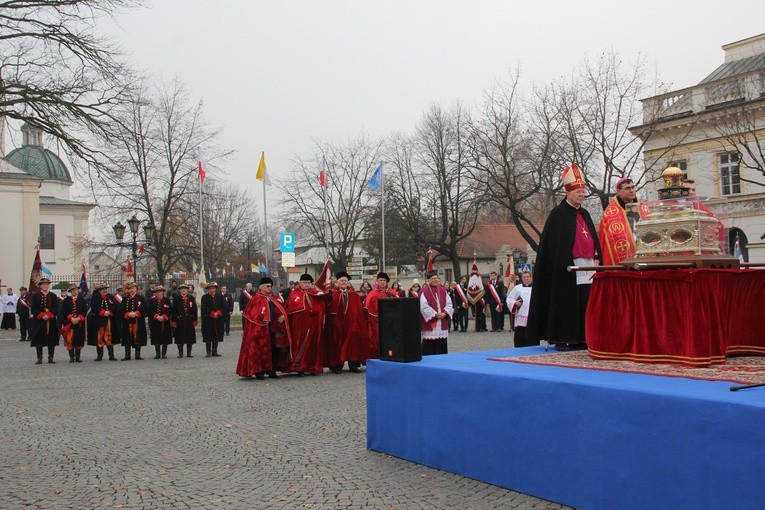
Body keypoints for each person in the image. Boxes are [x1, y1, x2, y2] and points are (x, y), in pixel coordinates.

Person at [526, 163, 602, 351]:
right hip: (567, 268)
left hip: (587, 265)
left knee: (585, 302)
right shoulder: (558, 214)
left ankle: (584, 337)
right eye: (578, 191)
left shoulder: (584, 214)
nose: (582, 195)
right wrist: (563, 262)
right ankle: (562, 337)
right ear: (568, 192)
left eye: (583, 191)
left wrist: (597, 255)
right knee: (566, 303)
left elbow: (592, 236)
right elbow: (553, 246)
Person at [237, 277, 289, 379]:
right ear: (261, 287)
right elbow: (251, 315)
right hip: (260, 330)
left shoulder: (273, 298)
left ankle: (272, 371)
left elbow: (281, 310)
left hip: (273, 329)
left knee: (274, 350)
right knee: (259, 351)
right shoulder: (255, 299)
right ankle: (259, 371)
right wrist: (262, 318)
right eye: (267, 286)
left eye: (270, 286)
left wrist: (283, 316)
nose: (270, 288)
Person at [598, 177, 649, 265]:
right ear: (619, 191)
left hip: (645, 253)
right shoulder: (610, 213)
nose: (632, 190)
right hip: (625, 257)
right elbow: (608, 239)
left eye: (633, 187)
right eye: (627, 188)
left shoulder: (643, 207)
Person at [325, 271, 369, 373]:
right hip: (337, 324)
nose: (344, 282)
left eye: (345, 280)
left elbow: (358, 311)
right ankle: (338, 365)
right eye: (342, 281)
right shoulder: (333, 294)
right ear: (337, 282)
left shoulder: (354, 295)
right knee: (338, 343)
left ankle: (352, 365)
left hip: (351, 324)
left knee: (352, 343)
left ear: (348, 282)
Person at [286, 273, 326, 375]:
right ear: (300, 283)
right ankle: (300, 367)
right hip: (300, 325)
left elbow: (321, 307)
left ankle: (313, 367)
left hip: (314, 324)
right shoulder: (294, 294)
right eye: (305, 283)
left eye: (309, 283)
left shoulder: (316, 293)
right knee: (301, 345)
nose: (307, 285)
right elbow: (291, 308)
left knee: (314, 345)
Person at [364, 272, 398, 360]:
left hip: (390, 321)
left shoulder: (392, 292)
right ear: (377, 282)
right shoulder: (372, 294)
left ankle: (390, 356)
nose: (382, 282)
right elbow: (367, 307)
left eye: (384, 280)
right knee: (376, 340)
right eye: (380, 280)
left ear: (387, 282)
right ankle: (376, 357)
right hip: (376, 321)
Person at [419, 271, 453, 355]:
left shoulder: (442, 290)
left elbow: (449, 303)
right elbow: (423, 306)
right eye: (433, 278)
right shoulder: (424, 291)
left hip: (442, 320)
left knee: (441, 342)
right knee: (429, 343)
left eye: (436, 278)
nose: (435, 280)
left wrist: (445, 313)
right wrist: (435, 314)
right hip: (432, 321)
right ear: (428, 280)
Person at [29, 277, 60, 364]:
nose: (45, 286)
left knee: (51, 339)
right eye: (44, 285)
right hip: (39, 321)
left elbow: (56, 308)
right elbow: (34, 308)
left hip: (51, 321)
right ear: (40, 286)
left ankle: (51, 357)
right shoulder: (36, 296)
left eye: (47, 284)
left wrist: (49, 315)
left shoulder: (53, 296)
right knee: (39, 338)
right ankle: (39, 358)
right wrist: (42, 315)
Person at [87, 284, 119, 361]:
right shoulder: (95, 297)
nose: (105, 291)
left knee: (109, 337)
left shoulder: (110, 296)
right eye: (103, 289)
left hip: (109, 320)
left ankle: (111, 355)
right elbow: (94, 307)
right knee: (99, 337)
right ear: (99, 291)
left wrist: (110, 312)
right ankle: (99, 355)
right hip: (99, 321)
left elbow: (116, 306)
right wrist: (103, 312)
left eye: (105, 289)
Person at [119, 281, 147, 360]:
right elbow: (121, 310)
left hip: (138, 321)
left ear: (136, 289)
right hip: (127, 321)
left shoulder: (141, 298)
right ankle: (127, 354)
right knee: (127, 337)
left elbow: (145, 308)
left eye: (133, 288)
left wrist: (137, 313)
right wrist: (127, 314)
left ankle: (137, 354)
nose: (132, 290)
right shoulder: (125, 299)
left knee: (138, 336)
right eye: (130, 288)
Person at [60, 283, 87, 362]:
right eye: (73, 290)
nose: (74, 292)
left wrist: (79, 318)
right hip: (69, 323)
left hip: (79, 323)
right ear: (70, 292)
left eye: (76, 290)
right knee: (69, 339)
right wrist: (70, 318)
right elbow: (63, 311)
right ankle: (71, 357)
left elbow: (84, 311)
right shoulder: (66, 301)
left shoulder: (82, 300)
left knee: (78, 339)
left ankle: (78, 357)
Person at [506, 270, 533, 347]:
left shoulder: (536, 288)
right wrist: (515, 303)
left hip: (532, 316)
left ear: (531, 277)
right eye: (524, 277)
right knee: (520, 338)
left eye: (527, 277)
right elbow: (509, 299)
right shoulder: (517, 288)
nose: (526, 278)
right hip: (521, 316)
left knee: (532, 338)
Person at [147, 285, 173, 359]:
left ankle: (164, 353)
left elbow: (170, 310)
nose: (159, 293)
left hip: (165, 321)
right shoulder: (151, 301)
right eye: (157, 292)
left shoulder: (167, 300)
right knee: (156, 337)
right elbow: (150, 311)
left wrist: (164, 316)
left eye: (160, 292)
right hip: (155, 321)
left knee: (165, 337)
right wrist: (156, 316)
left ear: (163, 292)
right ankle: (157, 353)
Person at [201, 281, 226, 357]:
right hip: (208, 319)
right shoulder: (204, 297)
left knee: (216, 334)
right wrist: (212, 314)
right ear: (208, 290)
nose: (212, 290)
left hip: (218, 319)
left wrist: (218, 313)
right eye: (210, 289)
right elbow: (204, 308)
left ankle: (214, 351)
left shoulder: (220, 297)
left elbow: (224, 306)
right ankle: (208, 351)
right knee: (208, 335)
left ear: (215, 289)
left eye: (213, 288)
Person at [171, 283, 197, 358]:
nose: (184, 290)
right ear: (180, 290)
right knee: (179, 336)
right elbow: (174, 310)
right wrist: (174, 321)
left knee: (190, 337)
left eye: (185, 289)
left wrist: (195, 319)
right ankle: (180, 352)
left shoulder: (191, 298)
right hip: (180, 320)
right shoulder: (176, 299)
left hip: (189, 320)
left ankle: (189, 352)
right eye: (182, 289)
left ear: (187, 290)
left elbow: (194, 309)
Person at [466, 264, 487, 332]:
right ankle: (477, 327)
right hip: (475, 301)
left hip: (481, 300)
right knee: (476, 315)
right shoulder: (471, 283)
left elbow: (485, 293)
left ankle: (482, 327)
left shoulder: (483, 284)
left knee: (482, 315)